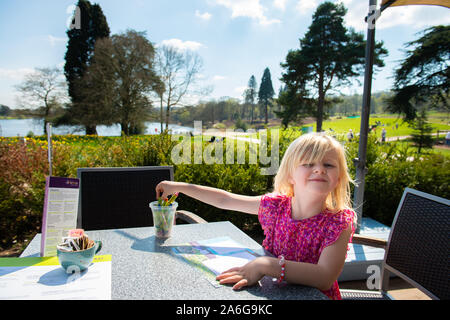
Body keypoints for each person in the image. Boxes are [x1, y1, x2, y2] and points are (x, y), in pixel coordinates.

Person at [155, 132, 356, 300]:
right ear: (290, 176)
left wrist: (265, 265)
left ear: (338, 178)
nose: (319, 169)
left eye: (328, 165)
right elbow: (225, 200)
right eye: (309, 163)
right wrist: (180, 186)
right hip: (272, 292)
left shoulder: (338, 222)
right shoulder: (276, 207)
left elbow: (324, 277)